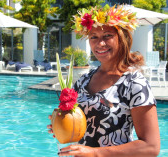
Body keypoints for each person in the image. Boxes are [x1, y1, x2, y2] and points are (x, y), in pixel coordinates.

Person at [47, 5, 160, 157]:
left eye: (107, 35)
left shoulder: (134, 83)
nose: (100, 43)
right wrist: (63, 126)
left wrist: (95, 153)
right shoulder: (84, 80)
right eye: (94, 37)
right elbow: (81, 125)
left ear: (122, 38)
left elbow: (151, 147)